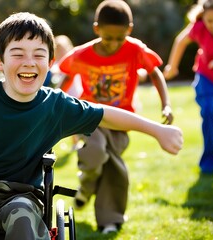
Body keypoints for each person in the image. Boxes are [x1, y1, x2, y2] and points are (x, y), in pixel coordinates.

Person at [0, 12, 183, 239]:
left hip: (22, 194)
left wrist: (157, 130)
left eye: (39, 55)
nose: (29, 62)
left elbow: (106, 113)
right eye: (18, 54)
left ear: (50, 62)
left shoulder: (55, 105)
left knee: (23, 218)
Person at [57, 0, 174, 234]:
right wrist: (57, 104)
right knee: (96, 150)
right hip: (90, 117)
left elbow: (155, 73)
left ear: (129, 30)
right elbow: (66, 78)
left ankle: (109, 220)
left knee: (113, 167)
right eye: (108, 38)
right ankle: (87, 184)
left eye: (120, 38)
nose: (114, 44)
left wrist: (167, 104)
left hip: (121, 120)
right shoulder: (82, 54)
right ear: (96, 29)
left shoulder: (135, 49)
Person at [163, 0, 213, 174]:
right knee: (208, 112)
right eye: (210, 20)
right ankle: (209, 161)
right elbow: (181, 41)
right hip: (206, 76)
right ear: (203, 17)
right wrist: (172, 66)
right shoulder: (198, 27)